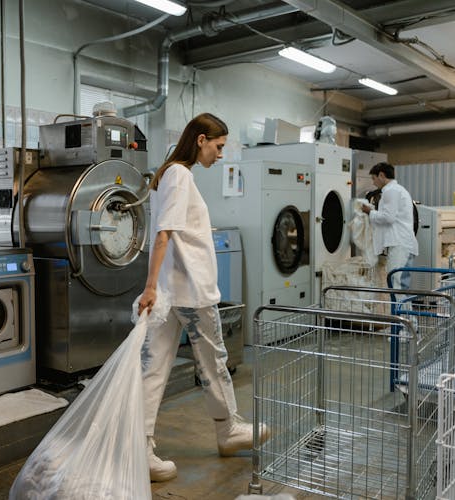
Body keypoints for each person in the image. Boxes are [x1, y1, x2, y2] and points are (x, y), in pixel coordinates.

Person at [137, 113, 268, 482]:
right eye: (219, 146)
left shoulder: (166, 174)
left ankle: (141, 449)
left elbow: (171, 231)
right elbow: (164, 233)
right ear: (201, 140)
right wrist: (148, 286)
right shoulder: (180, 174)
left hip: (170, 291)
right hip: (191, 291)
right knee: (213, 361)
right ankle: (228, 430)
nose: (220, 155)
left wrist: (154, 287)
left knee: (153, 370)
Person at [360, 162, 418, 289]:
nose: (373, 183)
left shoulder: (390, 191)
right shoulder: (399, 190)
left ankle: (399, 310)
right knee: (400, 285)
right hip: (403, 244)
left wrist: (370, 212)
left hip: (400, 245)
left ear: (381, 175)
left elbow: (388, 218)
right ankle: (403, 309)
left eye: (374, 178)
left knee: (396, 284)